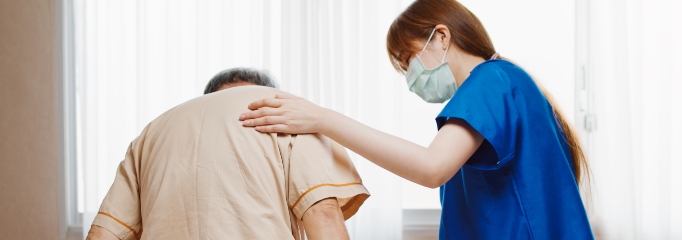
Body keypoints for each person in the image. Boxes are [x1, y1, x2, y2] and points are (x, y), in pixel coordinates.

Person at [239, 0, 594, 239]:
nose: (410, 76)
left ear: (441, 36)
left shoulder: (491, 81)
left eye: (408, 59)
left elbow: (431, 167)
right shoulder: (508, 84)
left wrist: (322, 119)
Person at [86, 68, 369, 240]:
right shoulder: (292, 117)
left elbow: (104, 233)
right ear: (269, 94)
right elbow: (323, 213)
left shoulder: (151, 132)